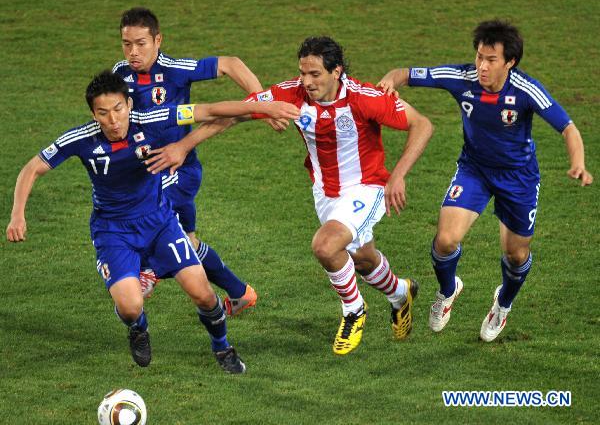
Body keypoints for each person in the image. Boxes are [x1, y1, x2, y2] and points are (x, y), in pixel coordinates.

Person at [145, 36, 434, 355]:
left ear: (336, 71)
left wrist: (398, 176)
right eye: (302, 73)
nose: (307, 82)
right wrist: (183, 146)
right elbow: (236, 113)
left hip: (368, 187)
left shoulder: (366, 98)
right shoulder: (292, 93)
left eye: (315, 75)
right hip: (325, 193)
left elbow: (422, 125)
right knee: (362, 259)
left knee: (326, 246)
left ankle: (353, 310)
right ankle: (399, 293)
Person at [6, 71, 299, 372]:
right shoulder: (80, 139)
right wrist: (18, 214)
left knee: (204, 294)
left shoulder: (151, 119)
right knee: (131, 307)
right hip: (113, 232)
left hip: (160, 224)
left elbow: (208, 110)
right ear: (94, 114)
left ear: (129, 104)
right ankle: (138, 328)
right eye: (103, 113)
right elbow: (32, 168)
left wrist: (264, 107)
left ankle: (222, 347)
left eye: (118, 109)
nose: (113, 120)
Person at [377, 20, 593, 342]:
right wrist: (388, 82)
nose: (482, 66)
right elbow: (404, 73)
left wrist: (578, 163)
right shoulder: (461, 78)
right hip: (474, 170)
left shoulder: (525, 90)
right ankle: (448, 291)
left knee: (516, 256)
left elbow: (568, 128)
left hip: (518, 178)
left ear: (510, 62)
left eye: (491, 60)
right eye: (479, 57)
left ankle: (502, 304)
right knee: (445, 240)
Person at [113, 7, 285, 313]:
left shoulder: (176, 70)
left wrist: (263, 104)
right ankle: (240, 292)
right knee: (187, 244)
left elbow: (231, 64)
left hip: (179, 169)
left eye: (141, 43)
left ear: (158, 40)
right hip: (146, 171)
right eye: (127, 44)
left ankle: (149, 270)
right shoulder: (119, 74)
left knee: (154, 226)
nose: (133, 51)